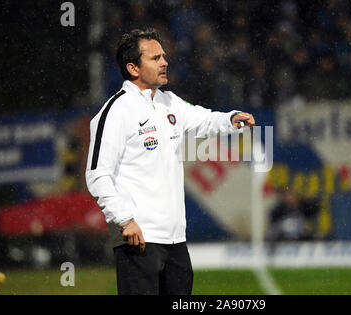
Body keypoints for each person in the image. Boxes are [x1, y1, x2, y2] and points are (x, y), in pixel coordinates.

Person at [85, 28, 255, 295]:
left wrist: (230, 118)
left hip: (176, 242)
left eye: (163, 56)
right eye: (155, 58)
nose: (165, 62)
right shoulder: (115, 112)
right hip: (138, 239)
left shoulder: (169, 102)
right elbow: (97, 175)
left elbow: (204, 120)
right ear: (133, 68)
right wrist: (124, 220)